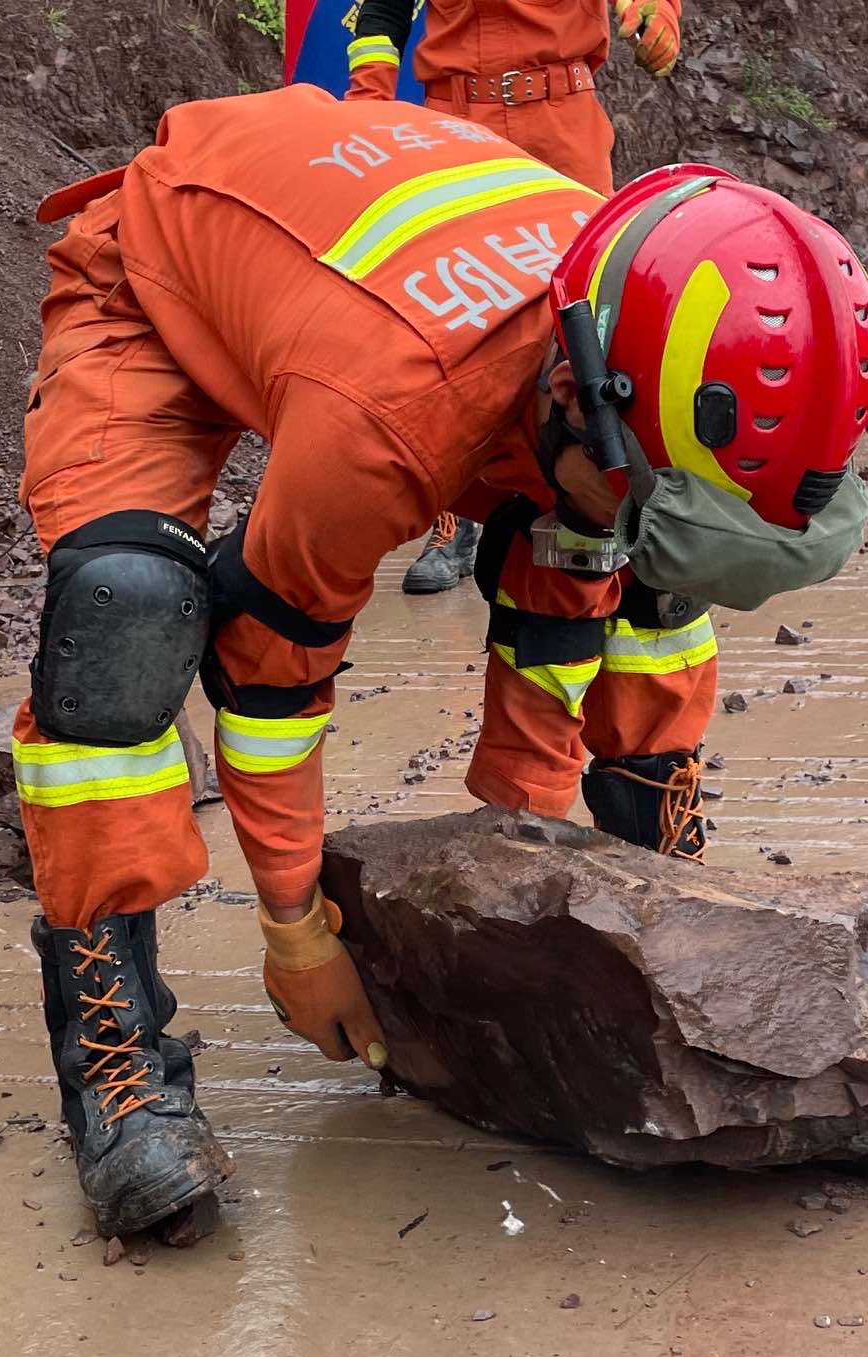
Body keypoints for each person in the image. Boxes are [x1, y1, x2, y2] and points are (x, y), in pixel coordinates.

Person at [12, 85, 868, 1235]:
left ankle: (668, 888)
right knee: (125, 611)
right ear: (578, 399)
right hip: (162, 269)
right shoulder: (385, 419)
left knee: (640, 568)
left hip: (407, 321)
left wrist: (521, 877)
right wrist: (297, 934)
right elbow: (273, 676)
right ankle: (117, 1066)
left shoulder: (627, 301)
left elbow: (572, 566)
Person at [345, 3, 703, 842]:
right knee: (445, 353)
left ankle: (643, 791)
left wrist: (658, 13)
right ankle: (452, 519)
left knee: (586, 393)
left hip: (561, 122)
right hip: (443, 129)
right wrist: (367, 89)